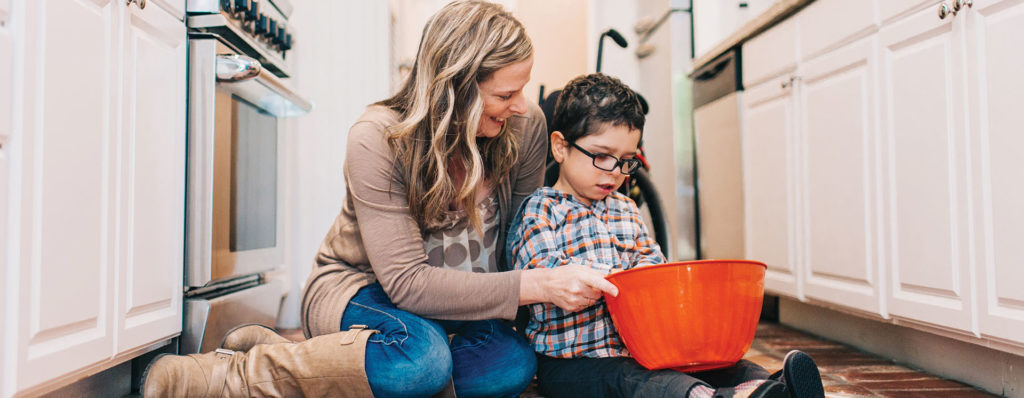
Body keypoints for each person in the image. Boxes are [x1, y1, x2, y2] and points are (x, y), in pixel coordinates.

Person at [141, 1, 620, 397]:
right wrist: (540, 285)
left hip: (462, 308)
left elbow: (521, 237)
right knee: (422, 359)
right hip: (361, 288)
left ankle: (326, 367)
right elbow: (408, 285)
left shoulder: (524, 125)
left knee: (513, 364)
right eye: (504, 93)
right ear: (454, 89)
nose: (520, 104)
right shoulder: (378, 138)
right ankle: (235, 378)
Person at [507, 73, 827, 398]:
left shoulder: (626, 209)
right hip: (571, 363)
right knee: (643, 382)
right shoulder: (541, 210)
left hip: (642, 351)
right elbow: (543, 275)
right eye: (601, 156)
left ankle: (770, 388)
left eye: (626, 161)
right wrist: (617, 284)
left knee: (726, 363)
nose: (615, 172)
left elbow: (651, 267)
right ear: (561, 147)